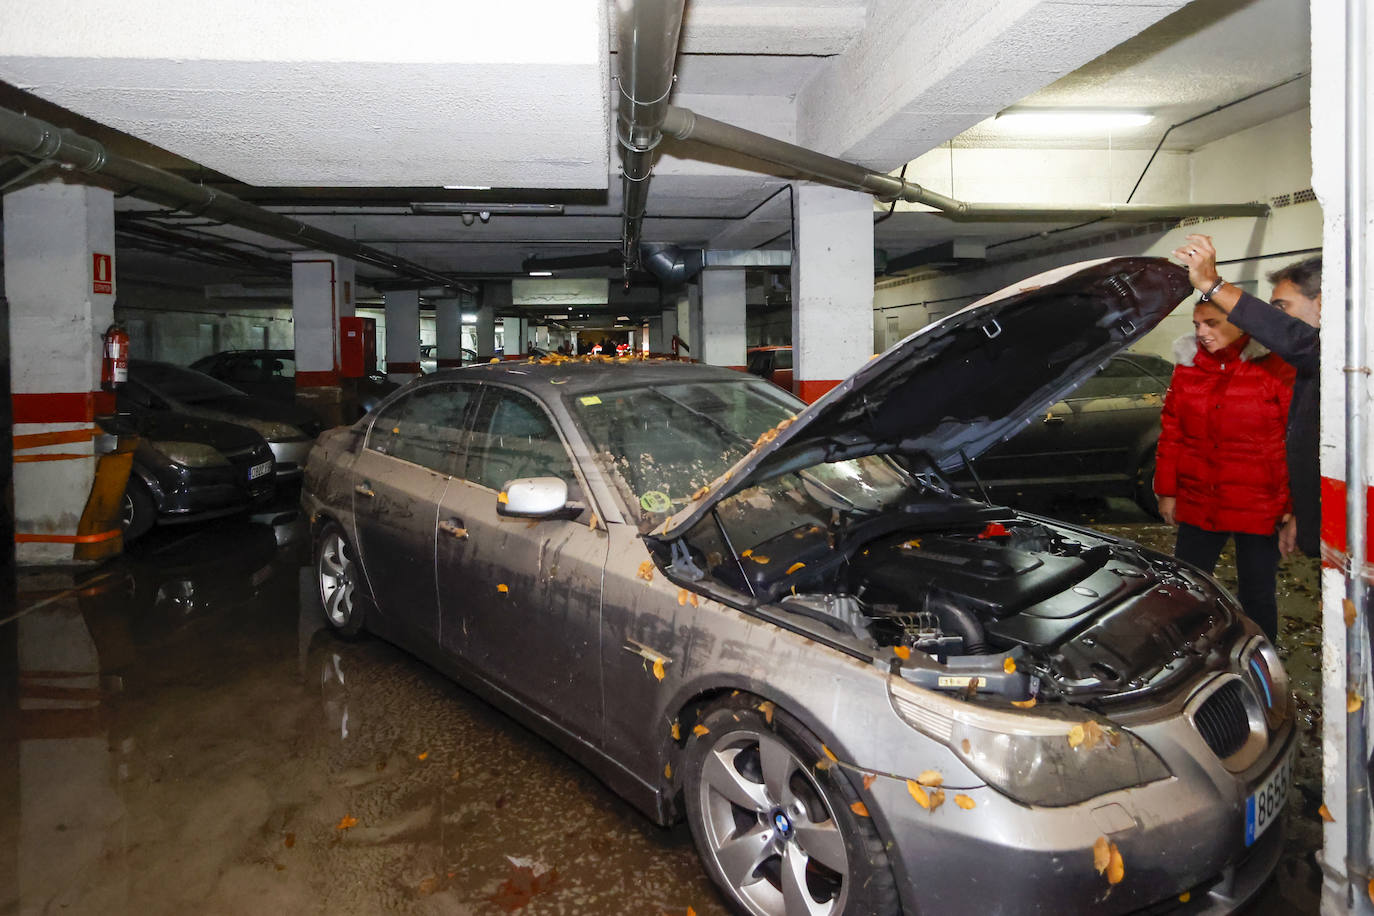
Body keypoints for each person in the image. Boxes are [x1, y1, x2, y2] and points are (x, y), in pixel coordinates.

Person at [1154, 299, 1295, 641]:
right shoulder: (1187, 369)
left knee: (1257, 593)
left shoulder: (1275, 367)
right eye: (1197, 324)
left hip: (1258, 504)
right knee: (1187, 586)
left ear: (1243, 324)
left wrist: (1293, 506)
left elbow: (1296, 439)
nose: (1202, 332)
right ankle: (1188, 657)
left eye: (1212, 323)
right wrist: (1167, 492)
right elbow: (1172, 433)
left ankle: (1263, 659)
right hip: (1201, 499)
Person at [1172, 235, 1320, 558]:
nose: (1275, 322)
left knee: (1258, 594)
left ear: (1321, 305)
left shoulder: (1302, 362)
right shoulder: (1188, 368)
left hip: (1258, 512)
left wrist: (1212, 284)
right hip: (1204, 507)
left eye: (1280, 309)